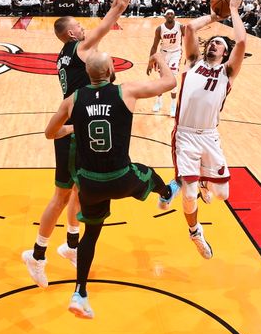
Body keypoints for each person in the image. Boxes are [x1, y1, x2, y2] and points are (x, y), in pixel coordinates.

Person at [22, 0, 154, 288]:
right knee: (63, 195)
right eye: (80, 26)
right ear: (71, 34)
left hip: (76, 126)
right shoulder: (80, 49)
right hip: (71, 131)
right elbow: (118, 7)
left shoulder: (62, 57)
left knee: (82, 189)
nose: (84, 28)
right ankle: (36, 255)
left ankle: (71, 245)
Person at [45, 50, 177, 319]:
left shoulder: (73, 100)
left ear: (88, 74)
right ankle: (166, 194)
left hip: (89, 185)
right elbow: (170, 82)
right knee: (149, 174)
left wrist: (74, 128)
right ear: (111, 72)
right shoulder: (125, 91)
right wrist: (158, 57)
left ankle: (80, 293)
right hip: (120, 178)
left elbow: (50, 133)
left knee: (90, 236)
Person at [154, 0, 247, 258]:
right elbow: (190, 30)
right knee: (190, 195)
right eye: (214, 41)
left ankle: (202, 182)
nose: (215, 43)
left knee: (222, 195)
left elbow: (241, 42)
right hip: (184, 135)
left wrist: (233, 10)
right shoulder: (193, 61)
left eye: (221, 43)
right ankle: (195, 232)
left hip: (209, 135)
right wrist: (214, 18)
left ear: (225, 53)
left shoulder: (228, 71)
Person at [148, 9, 183, 117]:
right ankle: (159, 101)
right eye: (168, 13)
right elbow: (154, 46)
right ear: (164, 16)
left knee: (172, 79)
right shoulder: (160, 29)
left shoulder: (180, 26)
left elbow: (189, 39)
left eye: (172, 13)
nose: (170, 15)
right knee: (162, 79)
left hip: (176, 53)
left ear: (174, 16)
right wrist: (150, 62)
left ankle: (173, 106)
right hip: (163, 54)